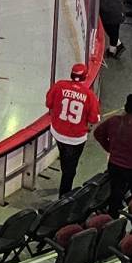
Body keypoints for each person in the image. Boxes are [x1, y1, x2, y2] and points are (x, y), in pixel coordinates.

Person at [44, 64, 98, 192]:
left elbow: (48, 103)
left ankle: (65, 176)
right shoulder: (89, 95)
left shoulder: (59, 86)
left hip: (57, 133)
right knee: (70, 169)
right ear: (85, 77)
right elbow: (93, 119)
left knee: (65, 158)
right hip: (76, 139)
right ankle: (64, 197)